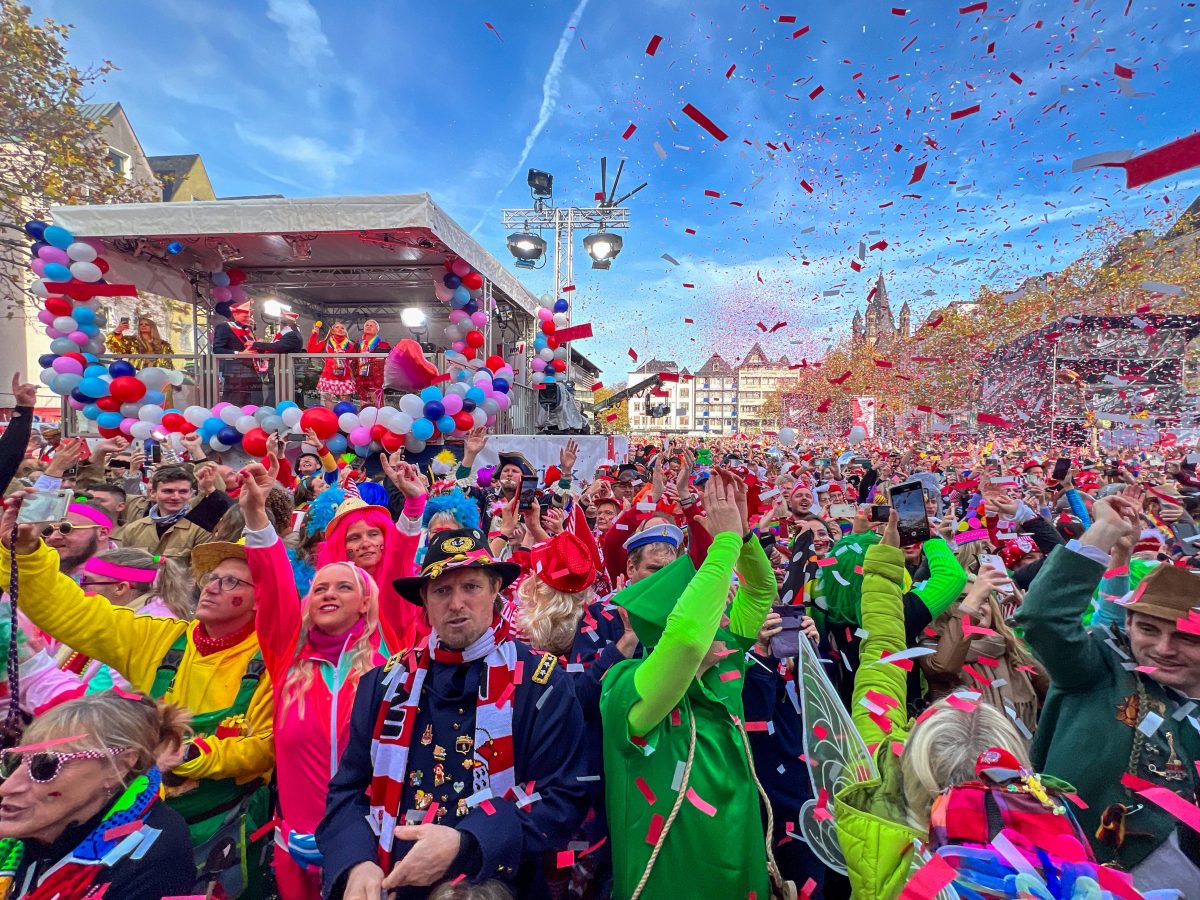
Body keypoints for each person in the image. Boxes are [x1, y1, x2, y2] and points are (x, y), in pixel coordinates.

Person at [0, 494, 275, 898]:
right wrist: (25, 550)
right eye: (211, 577)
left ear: (263, 598)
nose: (212, 587)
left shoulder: (271, 659)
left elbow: (267, 745)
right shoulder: (159, 638)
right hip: (132, 819)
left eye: (232, 581)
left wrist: (191, 756)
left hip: (225, 825)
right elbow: (71, 612)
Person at [834, 512, 1100, 899]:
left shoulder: (881, 827)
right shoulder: (1059, 863)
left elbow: (880, 655)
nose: (977, 603)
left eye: (983, 598)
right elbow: (937, 658)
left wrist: (882, 567)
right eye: (961, 599)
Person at [318, 527, 589, 899]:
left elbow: (563, 798)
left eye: (471, 587)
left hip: (505, 886)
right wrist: (356, 861)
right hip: (393, 885)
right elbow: (347, 791)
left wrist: (467, 844)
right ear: (425, 601)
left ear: (496, 590)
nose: (456, 603)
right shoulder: (382, 685)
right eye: (442, 590)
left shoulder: (542, 684)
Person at [600, 469, 783, 900]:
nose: (719, 615)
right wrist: (721, 546)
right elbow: (683, 642)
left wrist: (742, 536)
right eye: (708, 611)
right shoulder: (622, 687)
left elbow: (760, 591)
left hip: (741, 863)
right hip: (669, 880)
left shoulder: (726, 658)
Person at [1017, 495, 1200, 896]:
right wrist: (1103, 533)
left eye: (1186, 638)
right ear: (1130, 626)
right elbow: (1044, 619)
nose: (1164, 649)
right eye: (1149, 630)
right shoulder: (1100, 672)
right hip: (1079, 877)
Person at [239, 456, 390, 899]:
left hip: (368, 847)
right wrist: (256, 517)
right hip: (296, 845)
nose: (328, 593)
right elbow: (272, 584)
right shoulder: (289, 655)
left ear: (365, 602)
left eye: (344, 587)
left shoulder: (390, 661)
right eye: (320, 587)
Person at [0, 691, 197, 900]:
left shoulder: (155, 861)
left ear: (118, 767)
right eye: (14, 762)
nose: (8, 787)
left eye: (45, 766)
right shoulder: (33, 837)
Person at [19, 547, 192, 714]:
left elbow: (95, 703)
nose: (81, 588)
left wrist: (36, 664)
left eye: (86, 581)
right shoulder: (134, 614)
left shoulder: (145, 630)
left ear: (120, 588)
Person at [112, 465, 216, 565]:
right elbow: (127, 566)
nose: (176, 497)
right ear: (153, 493)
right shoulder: (134, 529)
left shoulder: (201, 529)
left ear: (190, 494)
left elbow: (200, 574)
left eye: (183, 492)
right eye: (168, 491)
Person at [212, 300, 265, 405]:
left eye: (249, 316)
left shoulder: (247, 330)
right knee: (235, 403)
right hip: (235, 373)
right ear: (235, 314)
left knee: (255, 403)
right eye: (245, 316)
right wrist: (239, 354)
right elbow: (217, 349)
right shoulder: (224, 327)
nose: (248, 319)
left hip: (252, 372)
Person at [308, 320, 359, 403]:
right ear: (332, 331)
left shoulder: (351, 345)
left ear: (346, 332)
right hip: (328, 378)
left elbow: (354, 361)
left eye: (343, 328)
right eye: (337, 327)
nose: (340, 329)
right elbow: (311, 351)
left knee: (345, 407)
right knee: (329, 408)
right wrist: (314, 334)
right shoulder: (326, 343)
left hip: (345, 378)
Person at [106, 315, 175, 370]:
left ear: (152, 327)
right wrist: (118, 331)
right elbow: (115, 345)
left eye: (146, 324)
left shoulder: (163, 345)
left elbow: (168, 364)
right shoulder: (132, 341)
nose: (143, 325)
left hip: (157, 377)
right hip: (137, 375)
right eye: (141, 324)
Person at [356, 319, 392, 406]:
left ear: (377, 330)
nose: (368, 327)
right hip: (361, 378)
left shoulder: (384, 345)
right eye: (366, 325)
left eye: (371, 326)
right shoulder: (357, 344)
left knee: (377, 405)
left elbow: (390, 362)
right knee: (363, 405)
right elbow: (353, 361)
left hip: (376, 379)